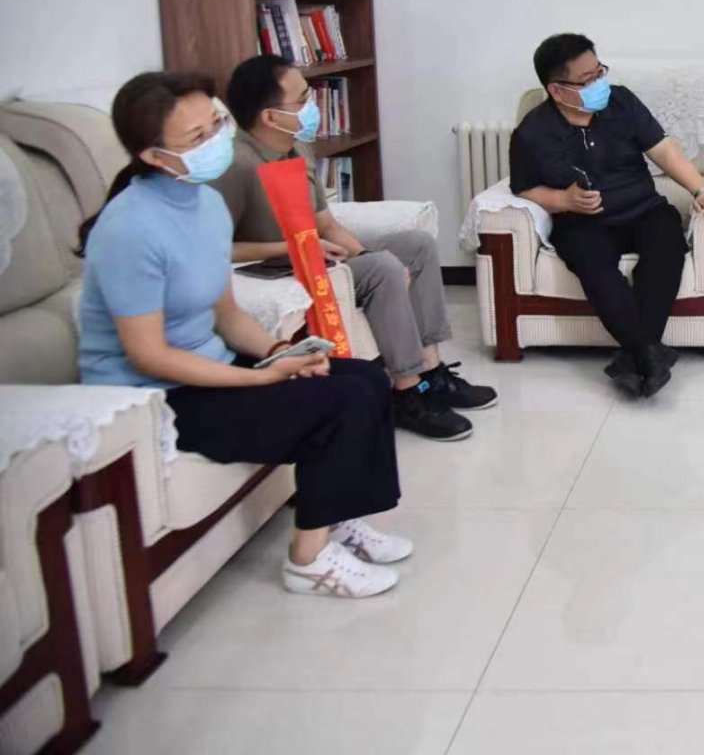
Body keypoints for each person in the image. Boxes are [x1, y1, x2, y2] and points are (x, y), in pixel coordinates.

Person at [78, 72, 410, 598]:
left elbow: (227, 314)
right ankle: (308, 562)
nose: (216, 141)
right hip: (156, 398)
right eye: (197, 137)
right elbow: (149, 355)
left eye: (216, 124)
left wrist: (283, 352)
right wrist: (259, 379)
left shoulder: (206, 205)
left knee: (364, 380)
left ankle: (338, 517)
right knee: (340, 400)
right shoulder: (128, 230)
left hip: (211, 368)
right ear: (155, 157)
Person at [215, 55, 494, 444]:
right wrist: (293, 247)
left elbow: (326, 223)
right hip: (274, 268)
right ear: (271, 116)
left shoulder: (297, 148)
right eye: (302, 100)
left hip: (318, 254)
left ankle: (431, 374)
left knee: (414, 246)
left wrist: (362, 255)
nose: (313, 108)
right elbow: (216, 250)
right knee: (383, 269)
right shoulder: (234, 165)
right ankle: (406, 391)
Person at [510, 33, 704, 398]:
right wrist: (563, 199)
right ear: (557, 90)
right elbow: (523, 189)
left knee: (666, 243)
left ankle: (637, 357)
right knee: (594, 266)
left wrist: (702, 189)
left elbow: (664, 151)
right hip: (582, 222)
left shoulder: (622, 102)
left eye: (600, 71)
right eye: (587, 79)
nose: (600, 83)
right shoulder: (532, 133)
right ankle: (648, 354)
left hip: (643, 210)